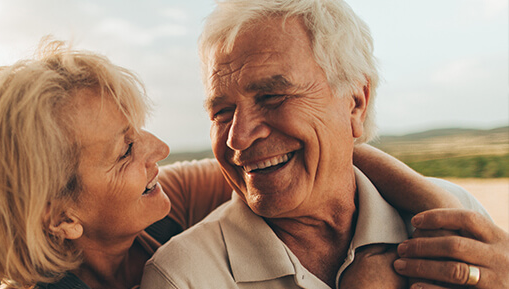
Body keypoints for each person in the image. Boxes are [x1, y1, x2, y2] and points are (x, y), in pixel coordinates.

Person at [0, 40, 467, 289]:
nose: (157, 149)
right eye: (126, 150)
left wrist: (444, 212)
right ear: (59, 217)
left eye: (136, 130)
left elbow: (290, 159)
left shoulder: (157, 208)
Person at [140, 0, 508, 288]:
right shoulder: (182, 278)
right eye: (221, 112)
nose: (238, 136)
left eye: (272, 96)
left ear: (356, 103)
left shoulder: (455, 214)